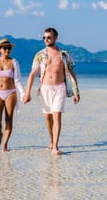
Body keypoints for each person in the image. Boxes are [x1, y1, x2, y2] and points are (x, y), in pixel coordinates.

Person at [23, 27, 80, 155]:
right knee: (48, 117)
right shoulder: (39, 55)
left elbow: (71, 72)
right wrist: (27, 93)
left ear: (55, 38)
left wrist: (76, 91)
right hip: (44, 89)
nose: (46, 39)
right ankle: (51, 140)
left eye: (48, 37)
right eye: (44, 37)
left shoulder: (64, 55)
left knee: (57, 116)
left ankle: (55, 146)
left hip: (59, 88)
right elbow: (33, 73)